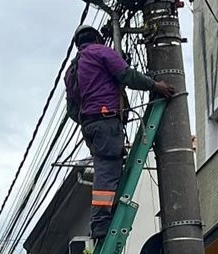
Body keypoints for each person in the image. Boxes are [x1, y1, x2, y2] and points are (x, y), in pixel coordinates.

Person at [65, 25, 175, 240]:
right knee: (107, 170)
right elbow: (126, 75)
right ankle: (100, 222)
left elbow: (71, 110)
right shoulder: (101, 52)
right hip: (105, 120)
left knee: (108, 167)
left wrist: (88, 117)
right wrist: (155, 85)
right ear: (97, 38)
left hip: (90, 125)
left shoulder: (72, 70)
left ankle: (104, 216)